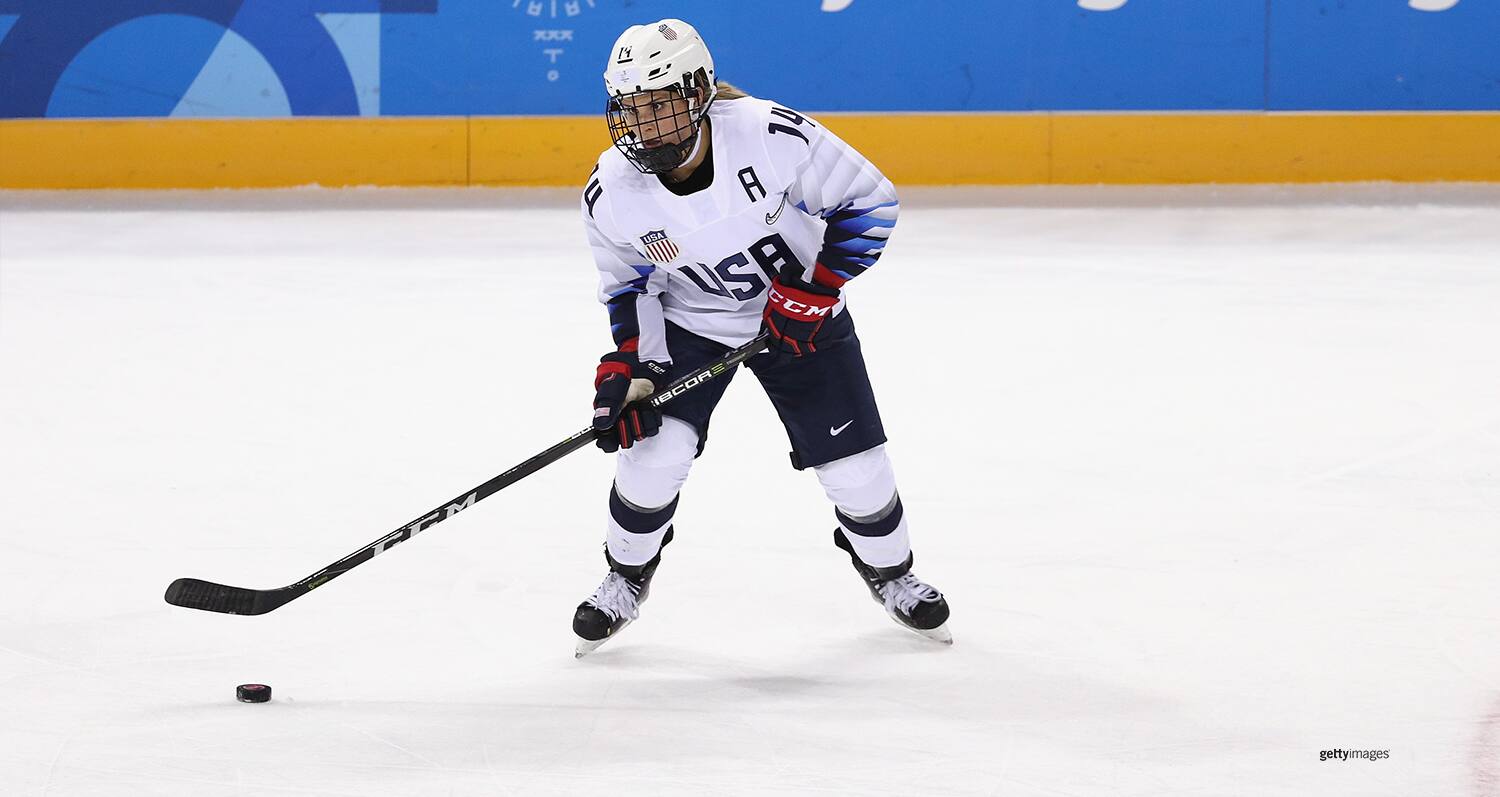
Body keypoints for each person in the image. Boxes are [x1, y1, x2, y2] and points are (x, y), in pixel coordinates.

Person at [573, 18, 950, 657]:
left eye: (661, 105)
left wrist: (817, 290)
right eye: (632, 109)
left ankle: (891, 573)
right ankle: (626, 577)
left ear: (698, 91)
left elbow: (871, 203)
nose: (645, 126)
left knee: (857, 472)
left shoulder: (773, 136)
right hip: (691, 326)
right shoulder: (611, 191)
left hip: (801, 319)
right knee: (652, 458)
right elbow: (628, 287)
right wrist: (628, 365)